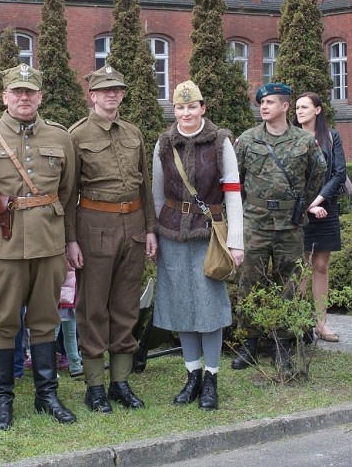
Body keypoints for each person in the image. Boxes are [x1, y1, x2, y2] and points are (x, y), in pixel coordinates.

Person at [0, 63, 77, 429]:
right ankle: (3, 400)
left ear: (40, 96)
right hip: (3, 244)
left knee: (46, 321)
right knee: (1, 322)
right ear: (4, 97)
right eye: (17, 91)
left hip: (48, 242)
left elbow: (67, 191)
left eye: (30, 91)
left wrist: (66, 240)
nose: (24, 97)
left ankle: (47, 395)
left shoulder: (61, 137)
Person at [66, 65, 157, 413]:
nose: (111, 95)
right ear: (92, 95)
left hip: (133, 225)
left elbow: (145, 184)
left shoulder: (133, 132)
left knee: (125, 306)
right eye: (104, 90)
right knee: (93, 307)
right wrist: (71, 240)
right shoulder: (77, 135)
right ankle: (94, 386)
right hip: (94, 225)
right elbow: (69, 192)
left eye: (117, 90)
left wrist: (150, 228)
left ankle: (120, 381)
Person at [153, 80, 244, 410]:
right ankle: (191, 375)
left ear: (203, 108)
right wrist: (156, 233)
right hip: (173, 234)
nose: (186, 112)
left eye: (192, 107)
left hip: (210, 236)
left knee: (209, 309)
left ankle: (211, 379)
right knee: (182, 307)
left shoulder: (221, 142)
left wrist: (236, 242)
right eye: (180, 107)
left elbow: (233, 193)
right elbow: (157, 193)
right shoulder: (164, 143)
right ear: (174, 110)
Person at [232, 83, 325, 371]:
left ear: (285, 107)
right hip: (255, 223)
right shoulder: (247, 140)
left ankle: (282, 345)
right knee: (249, 282)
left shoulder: (304, 141)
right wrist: (250, 208)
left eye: (270, 102)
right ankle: (249, 342)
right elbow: (236, 181)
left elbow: (317, 174)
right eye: (261, 102)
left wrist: (300, 204)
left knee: (289, 284)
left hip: (289, 224)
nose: (263, 106)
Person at [294, 91, 346, 343]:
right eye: (296, 107)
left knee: (321, 267)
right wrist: (306, 207)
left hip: (326, 208)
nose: (299, 111)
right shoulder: (290, 138)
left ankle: (321, 323)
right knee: (301, 267)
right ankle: (302, 321)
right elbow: (288, 180)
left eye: (304, 107)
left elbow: (339, 174)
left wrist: (318, 202)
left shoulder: (331, 137)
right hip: (298, 210)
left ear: (318, 110)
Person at [57, 261, 82, 376]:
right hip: (60, 298)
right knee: (52, 334)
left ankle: (75, 365)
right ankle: (48, 367)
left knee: (71, 333)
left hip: (71, 298)